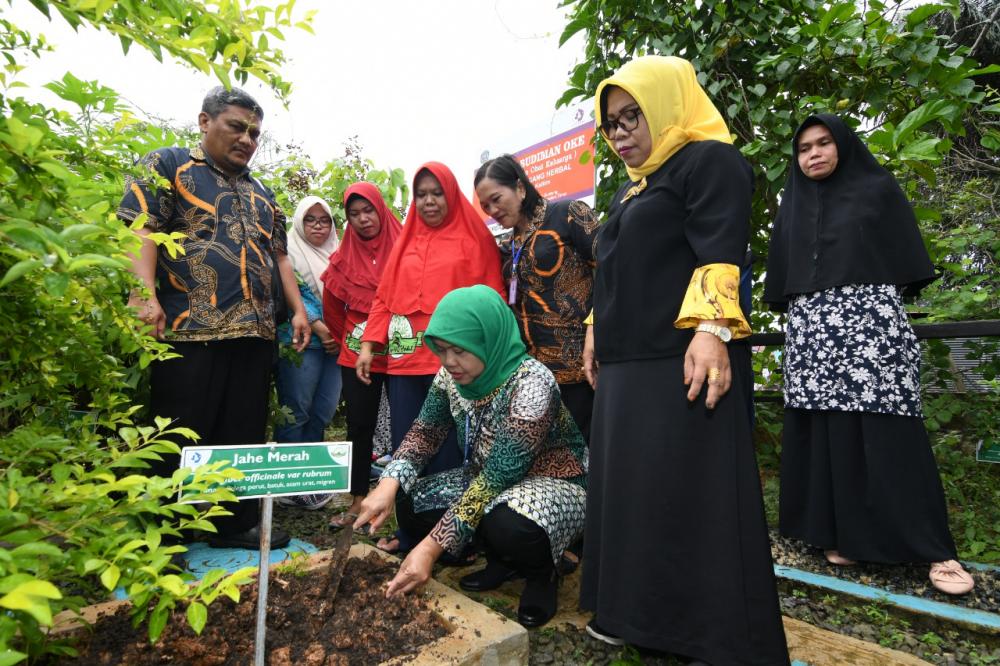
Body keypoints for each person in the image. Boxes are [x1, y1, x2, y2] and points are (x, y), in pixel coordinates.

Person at [579, 56, 790, 664]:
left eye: (632, 115)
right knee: (636, 497)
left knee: (688, 496)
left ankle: (706, 633)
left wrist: (713, 330)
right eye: (611, 122)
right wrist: (594, 329)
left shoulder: (709, 160)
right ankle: (636, 615)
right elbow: (615, 269)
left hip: (683, 360)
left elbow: (721, 247)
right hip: (627, 369)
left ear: (667, 104)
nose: (620, 132)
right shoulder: (631, 187)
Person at [763, 113, 974, 595]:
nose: (813, 154)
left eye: (823, 143)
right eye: (804, 149)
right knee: (828, 430)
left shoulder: (876, 189)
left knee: (889, 426)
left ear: (843, 145)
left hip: (869, 323)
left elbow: (901, 260)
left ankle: (934, 550)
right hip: (812, 329)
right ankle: (844, 536)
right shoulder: (793, 205)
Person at [119, 86, 310, 549]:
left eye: (255, 133)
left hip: (255, 332)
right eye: (236, 127)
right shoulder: (168, 165)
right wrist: (143, 293)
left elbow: (280, 257)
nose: (247, 139)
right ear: (205, 122)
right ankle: (160, 535)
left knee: (241, 433)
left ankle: (233, 524)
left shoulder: (262, 193)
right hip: (189, 330)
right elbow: (140, 227)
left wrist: (299, 311)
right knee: (176, 432)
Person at [353, 285, 587, 628]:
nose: (449, 361)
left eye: (460, 350)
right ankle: (500, 560)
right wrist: (387, 485)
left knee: (508, 522)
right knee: (410, 499)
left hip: (554, 483)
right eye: (442, 349)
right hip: (487, 479)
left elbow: (498, 477)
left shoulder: (532, 383)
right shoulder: (451, 377)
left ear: (488, 340)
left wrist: (429, 549)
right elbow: (425, 433)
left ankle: (542, 574)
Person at [356, 162, 504, 554]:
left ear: (451, 195)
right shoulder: (405, 242)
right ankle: (410, 534)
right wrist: (368, 346)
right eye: (421, 194)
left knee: (453, 452)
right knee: (408, 445)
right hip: (405, 363)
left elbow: (492, 298)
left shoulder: (474, 239)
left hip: (454, 365)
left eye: (436, 193)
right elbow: (384, 298)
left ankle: (454, 540)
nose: (429, 201)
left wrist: (488, 355)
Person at [475, 155, 599, 442]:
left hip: (584, 367)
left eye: (496, 199)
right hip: (536, 377)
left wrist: (598, 325)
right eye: (485, 206)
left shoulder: (568, 214)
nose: (492, 210)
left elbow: (610, 267)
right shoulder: (508, 246)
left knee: (590, 452)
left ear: (520, 187)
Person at [321, 182, 402, 526]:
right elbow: (332, 310)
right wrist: (353, 341)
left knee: (408, 425)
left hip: (402, 353)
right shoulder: (342, 260)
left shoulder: (406, 248)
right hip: (357, 357)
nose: (363, 219)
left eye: (368, 210)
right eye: (354, 214)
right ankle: (357, 499)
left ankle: (405, 503)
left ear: (381, 209)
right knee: (359, 426)